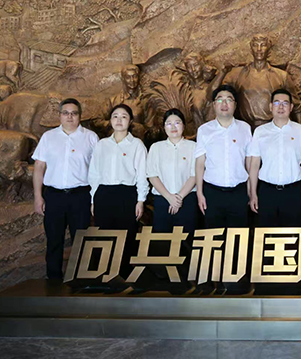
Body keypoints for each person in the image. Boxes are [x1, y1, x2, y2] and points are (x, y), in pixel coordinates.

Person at [32, 98, 99, 281]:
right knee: (54, 240)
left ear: (80, 116)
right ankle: (53, 279)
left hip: (81, 196)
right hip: (54, 196)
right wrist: (38, 197)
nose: (70, 117)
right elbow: (39, 167)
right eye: (66, 113)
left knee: (81, 240)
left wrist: (94, 200)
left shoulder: (91, 137)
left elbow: (98, 171)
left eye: (74, 113)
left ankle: (82, 279)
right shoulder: (48, 137)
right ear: (60, 115)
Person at [88, 103, 149, 278]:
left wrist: (141, 200)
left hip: (126, 195)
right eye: (115, 116)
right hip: (104, 194)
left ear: (130, 121)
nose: (119, 120)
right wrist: (93, 199)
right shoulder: (102, 145)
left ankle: (124, 276)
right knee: (104, 235)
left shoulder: (136, 145)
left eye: (124, 116)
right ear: (110, 120)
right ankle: (104, 276)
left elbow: (142, 174)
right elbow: (94, 173)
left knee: (127, 236)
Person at [248, 89, 301, 227]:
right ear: (271, 106)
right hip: (267, 191)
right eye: (277, 103)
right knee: (265, 234)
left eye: (285, 103)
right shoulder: (260, 132)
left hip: (293, 191)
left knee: (294, 234)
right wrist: (253, 193)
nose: (281, 107)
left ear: (291, 107)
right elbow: (254, 165)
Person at [195, 84, 253, 230]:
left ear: (235, 105)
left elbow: (249, 162)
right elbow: (200, 164)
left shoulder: (245, 128)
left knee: (238, 237)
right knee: (214, 236)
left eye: (229, 100)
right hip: (212, 193)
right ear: (214, 105)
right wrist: (200, 193)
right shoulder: (204, 130)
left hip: (239, 192)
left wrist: (251, 192)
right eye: (220, 100)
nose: (224, 104)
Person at [223, 34, 301, 128]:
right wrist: (222, 71)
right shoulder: (237, 74)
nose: (259, 49)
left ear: (269, 50)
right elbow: (217, 96)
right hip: (245, 128)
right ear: (251, 49)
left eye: (263, 45)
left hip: (273, 129)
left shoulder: (281, 76)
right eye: (255, 45)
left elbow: (297, 107)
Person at [147, 108, 198, 237]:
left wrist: (179, 198)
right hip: (163, 199)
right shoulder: (156, 147)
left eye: (177, 123)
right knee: (162, 240)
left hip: (187, 199)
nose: (173, 127)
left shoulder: (193, 147)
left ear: (184, 126)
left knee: (187, 239)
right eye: (169, 123)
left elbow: (194, 175)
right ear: (164, 127)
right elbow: (152, 175)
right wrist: (170, 197)